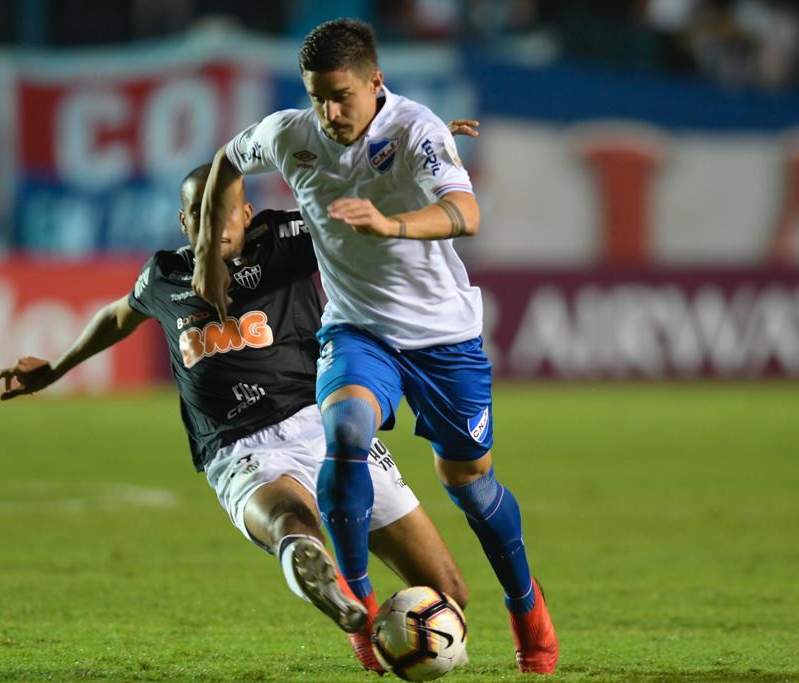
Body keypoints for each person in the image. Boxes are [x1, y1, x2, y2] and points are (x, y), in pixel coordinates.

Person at [0, 162, 470, 674]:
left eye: (224, 210)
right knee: (291, 520)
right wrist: (54, 369)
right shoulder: (163, 276)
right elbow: (116, 316)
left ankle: (367, 616)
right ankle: (313, 569)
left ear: (246, 214)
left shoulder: (287, 238)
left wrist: (417, 152)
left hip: (327, 423)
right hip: (240, 447)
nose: (213, 221)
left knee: (450, 596)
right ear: (183, 221)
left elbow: (365, 211)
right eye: (198, 211)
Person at [192, 18, 558, 674]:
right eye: (317, 97)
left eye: (341, 95)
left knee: (472, 488)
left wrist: (389, 222)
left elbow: (466, 214)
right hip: (359, 332)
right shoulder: (290, 134)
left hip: (445, 339)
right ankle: (360, 615)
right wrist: (206, 262)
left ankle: (529, 611)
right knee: (348, 431)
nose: (329, 112)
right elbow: (225, 160)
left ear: (375, 82)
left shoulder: (418, 131)